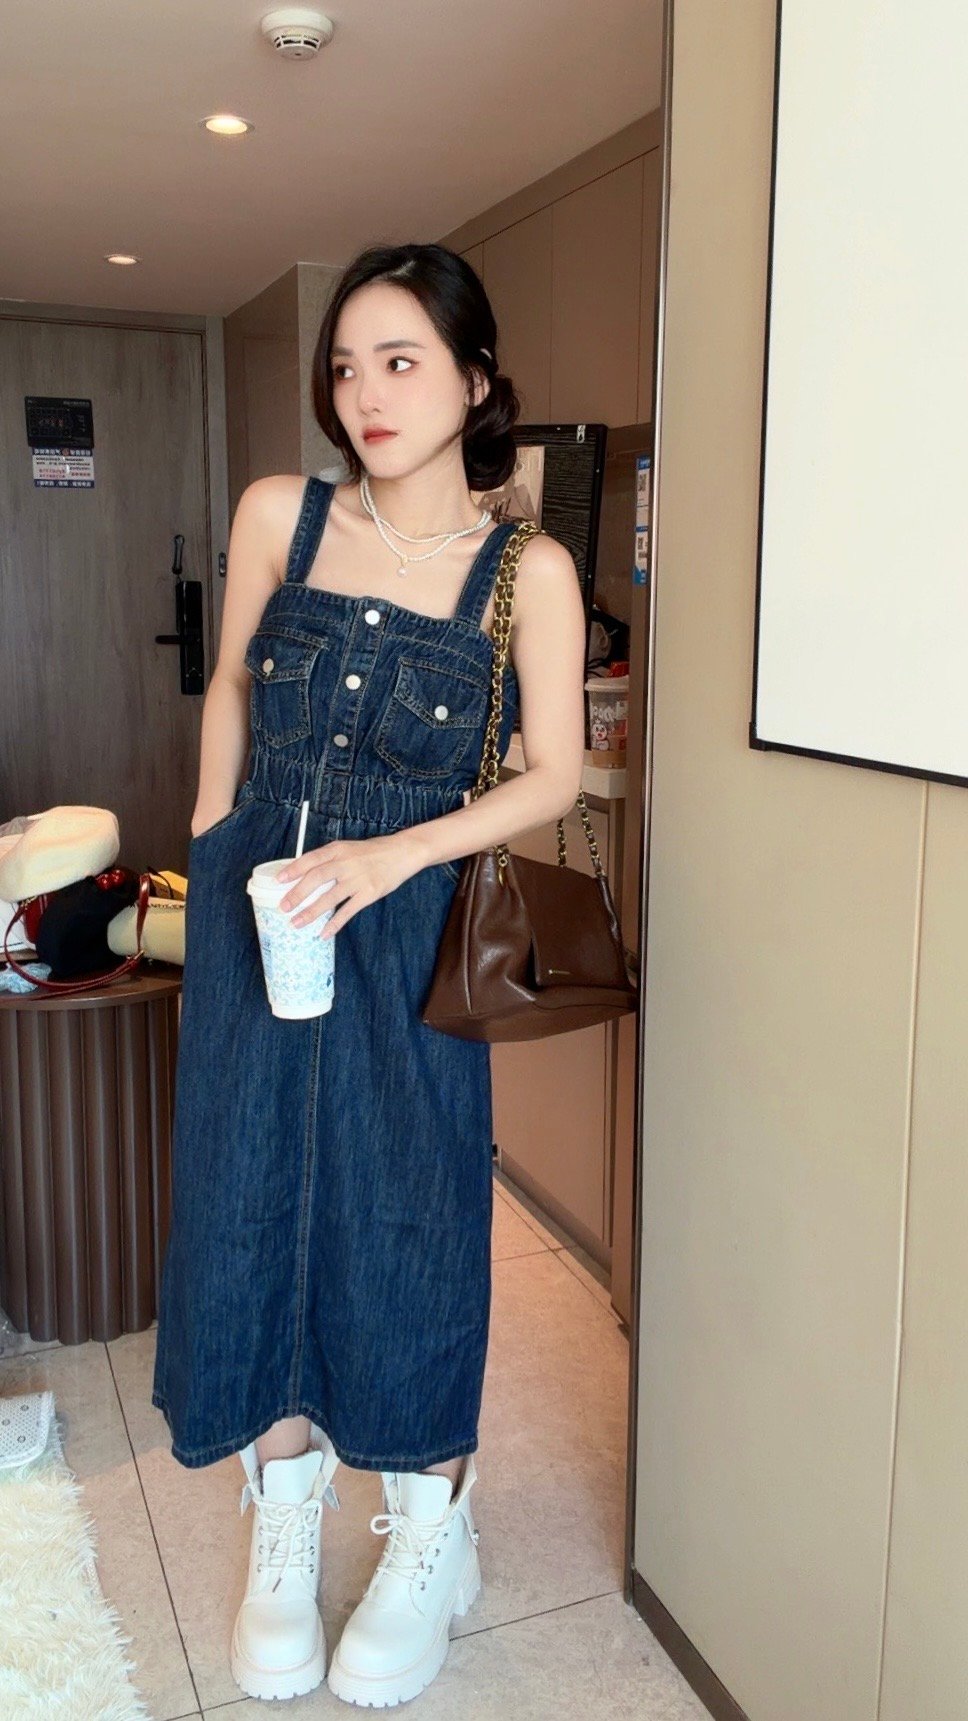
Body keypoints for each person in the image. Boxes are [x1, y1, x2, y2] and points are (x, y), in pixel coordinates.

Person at [151, 241, 586, 1707]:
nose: (365, 394)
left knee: (409, 1214)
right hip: (259, 912)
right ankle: (284, 1525)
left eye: (402, 361)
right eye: (347, 365)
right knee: (247, 1200)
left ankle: (429, 1529)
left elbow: (552, 773)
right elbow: (229, 684)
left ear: (475, 379)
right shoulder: (283, 512)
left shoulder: (527, 570)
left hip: (406, 933)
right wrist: (212, 834)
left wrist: (400, 856)